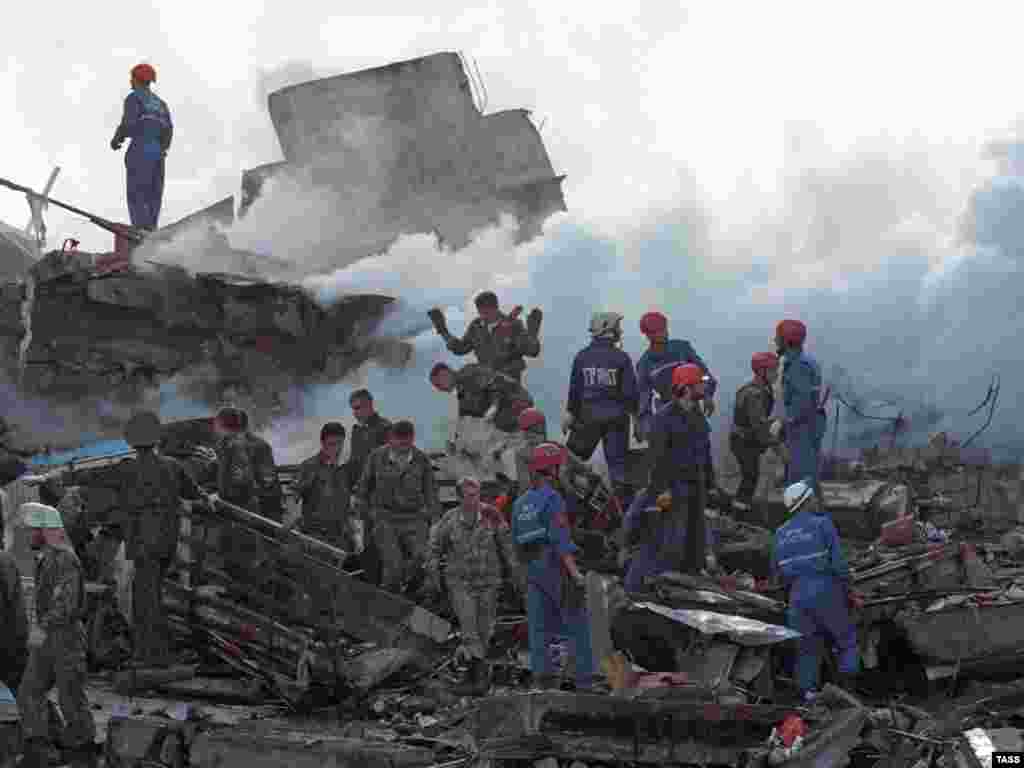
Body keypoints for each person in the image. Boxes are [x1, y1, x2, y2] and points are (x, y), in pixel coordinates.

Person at [112, 411, 203, 666]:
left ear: (131, 440)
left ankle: (149, 654)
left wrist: (50, 478)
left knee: (144, 599)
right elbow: (195, 493)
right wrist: (210, 499)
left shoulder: (126, 468)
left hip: (141, 542)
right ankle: (156, 651)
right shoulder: (173, 466)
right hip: (166, 541)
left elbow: (91, 479)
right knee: (153, 595)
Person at [17, 502, 97, 768]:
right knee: (30, 691)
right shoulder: (47, 558)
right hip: (48, 638)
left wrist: (41, 627)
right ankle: (40, 750)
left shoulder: (64, 558)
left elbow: (67, 604)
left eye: (32, 530)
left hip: (66, 638)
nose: (28, 535)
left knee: (70, 697)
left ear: (45, 530)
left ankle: (82, 754)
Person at [511, 443, 596, 691]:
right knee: (577, 622)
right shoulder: (553, 498)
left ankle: (543, 680)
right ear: (553, 469)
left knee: (539, 627)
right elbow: (561, 540)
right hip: (555, 567)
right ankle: (584, 681)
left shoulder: (520, 504)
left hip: (531, 571)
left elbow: (515, 544)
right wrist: (576, 575)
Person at [424, 476, 517, 694]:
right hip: (460, 584)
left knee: (485, 630)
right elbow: (434, 548)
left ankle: (475, 674)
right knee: (469, 630)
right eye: (469, 496)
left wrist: (514, 574)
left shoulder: (491, 515)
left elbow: (507, 545)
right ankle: (478, 680)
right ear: (459, 498)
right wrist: (432, 574)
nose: (474, 500)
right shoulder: (449, 520)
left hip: (488, 583)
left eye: (477, 495)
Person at [772, 480, 859, 701]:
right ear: (807, 501)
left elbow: (777, 575)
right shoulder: (822, 524)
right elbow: (839, 564)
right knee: (846, 640)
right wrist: (850, 588)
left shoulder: (780, 533)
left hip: (797, 599)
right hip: (825, 590)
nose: (816, 501)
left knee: (806, 650)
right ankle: (848, 695)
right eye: (813, 498)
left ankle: (808, 700)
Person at [643, 363, 716, 576]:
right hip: (674, 488)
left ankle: (692, 580)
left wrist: (711, 484)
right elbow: (656, 458)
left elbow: (705, 451)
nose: (703, 388)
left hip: (696, 485)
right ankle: (667, 581)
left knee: (695, 539)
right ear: (686, 388)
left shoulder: (697, 415)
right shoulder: (663, 418)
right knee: (674, 539)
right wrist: (662, 490)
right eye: (699, 384)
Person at [562, 312, 638, 510]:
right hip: (616, 421)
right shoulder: (621, 358)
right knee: (618, 469)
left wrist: (570, 414)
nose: (620, 331)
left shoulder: (582, 357)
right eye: (617, 327)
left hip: (587, 419)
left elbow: (575, 392)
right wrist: (637, 421)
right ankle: (623, 513)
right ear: (608, 329)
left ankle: (571, 501)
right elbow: (631, 395)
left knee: (570, 462)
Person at [355, 421, 440, 593]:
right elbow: (362, 490)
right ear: (390, 439)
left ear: (412, 439)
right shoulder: (376, 457)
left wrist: (434, 522)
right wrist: (364, 518)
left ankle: (410, 593)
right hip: (384, 518)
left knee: (423, 559)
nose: (403, 446)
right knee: (393, 566)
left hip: (415, 519)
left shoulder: (422, 460)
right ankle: (388, 601)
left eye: (407, 442)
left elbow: (432, 494)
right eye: (399, 441)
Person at [430, 362, 533, 481]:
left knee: (486, 438)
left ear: (445, 375)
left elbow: (495, 384)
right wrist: (457, 443)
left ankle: (499, 467)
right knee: (474, 436)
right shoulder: (463, 393)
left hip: (514, 404)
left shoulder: (469, 373)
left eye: (438, 384)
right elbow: (464, 420)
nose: (439, 389)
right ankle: (497, 468)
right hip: (509, 414)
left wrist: (494, 406)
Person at [635, 311, 717, 442]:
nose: (665, 332)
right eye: (659, 330)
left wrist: (707, 394)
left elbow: (705, 375)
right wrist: (645, 425)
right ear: (648, 335)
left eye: (664, 328)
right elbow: (644, 399)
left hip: (692, 410)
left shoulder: (682, 348)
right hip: (667, 416)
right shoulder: (645, 364)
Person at [110, 63, 173, 231]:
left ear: (137, 80)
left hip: (141, 148)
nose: (130, 81)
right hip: (158, 152)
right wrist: (162, 149)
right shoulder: (161, 104)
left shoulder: (134, 98)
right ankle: (151, 230)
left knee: (137, 191)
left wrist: (117, 139)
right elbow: (169, 130)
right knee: (154, 193)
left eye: (132, 78)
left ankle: (140, 229)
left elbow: (128, 123)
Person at [428, 291, 542, 382]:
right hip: (485, 383)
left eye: (487, 310)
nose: (483, 315)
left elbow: (532, 351)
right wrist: (443, 331)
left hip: (509, 382)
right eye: (480, 311)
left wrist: (532, 332)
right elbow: (461, 348)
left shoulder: (513, 325)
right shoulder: (477, 326)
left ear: (496, 308)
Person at [773, 320, 828, 496]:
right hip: (807, 425)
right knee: (808, 476)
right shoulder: (805, 362)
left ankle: (802, 519)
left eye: (778, 338)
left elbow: (803, 403)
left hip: (802, 428)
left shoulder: (798, 366)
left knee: (800, 480)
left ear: (787, 341)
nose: (775, 341)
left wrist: (784, 422)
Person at [730, 352, 787, 512]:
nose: (776, 374)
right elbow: (759, 427)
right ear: (762, 372)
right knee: (750, 477)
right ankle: (738, 515)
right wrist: (779, 448)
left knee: (751, 477)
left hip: (747, 438)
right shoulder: (754, 394)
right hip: (743, 441)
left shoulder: (762, 389)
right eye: (773, 370)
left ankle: (740, 512)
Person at [290, 423, 353, 551]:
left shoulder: (347, 468)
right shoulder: (309, 466)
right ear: (322, 443)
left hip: (341, 535)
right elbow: (293, 494)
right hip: (315, 536)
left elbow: (353, 501)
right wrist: (293, 517)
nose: (336, 449)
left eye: (340, 443)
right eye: (331, 444)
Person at [214, 406, 281, 520]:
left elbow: (268, 483)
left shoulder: (258, 446)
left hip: (252, 511)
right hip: (227, 509)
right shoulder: (222, 445)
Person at [346, 389, 392, 484]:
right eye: (353, 409)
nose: (354, 413)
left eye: (358, 408)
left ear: (369, 405)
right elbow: (354, 461)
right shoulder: (357, 430)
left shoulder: (385, 427)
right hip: (360, 487)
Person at [0, 544, 27, 696]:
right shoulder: (6, 559)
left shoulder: (2, 560)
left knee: (25, 695)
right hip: (13, 639)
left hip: (8, 642)